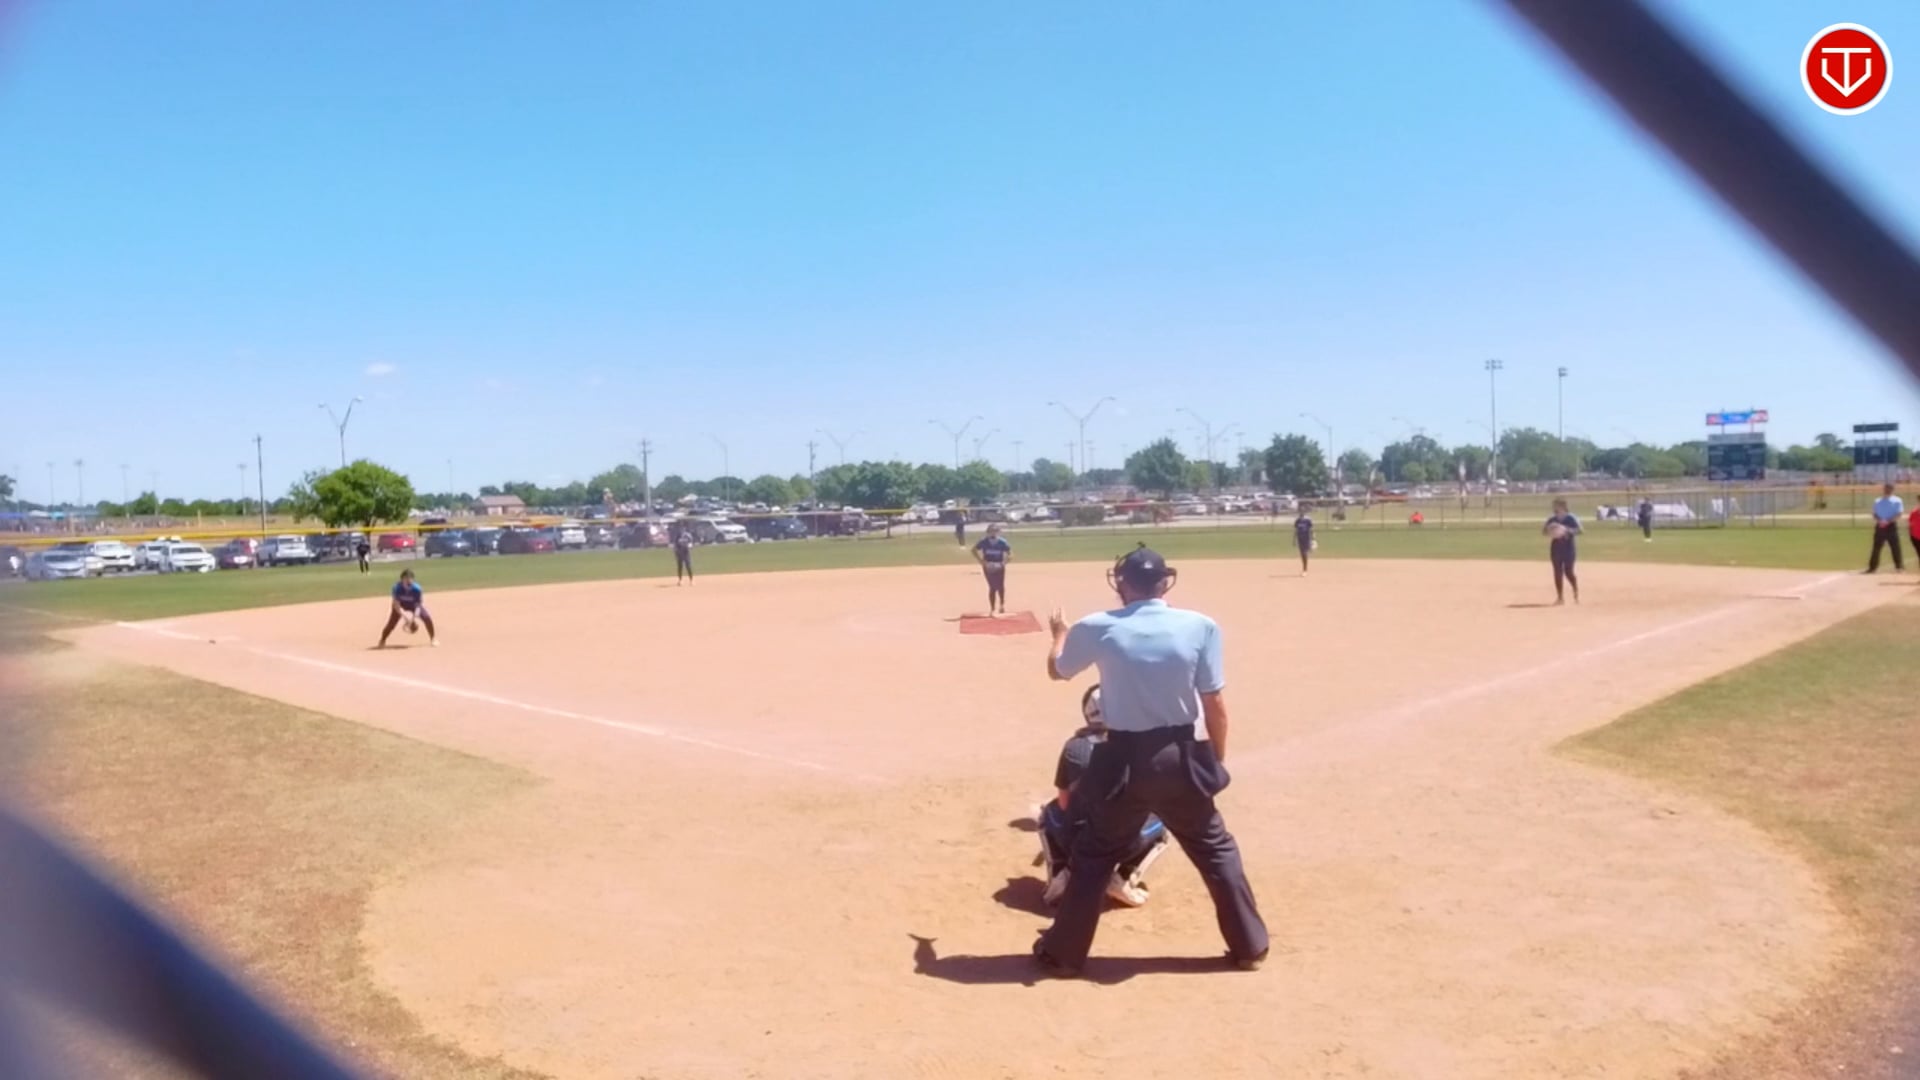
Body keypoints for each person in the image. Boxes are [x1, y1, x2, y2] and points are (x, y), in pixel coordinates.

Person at [1032, 544, 1268, 978]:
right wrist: (1212, 761)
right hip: (1180, 754)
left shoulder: (1098, 626)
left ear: (1121, 585)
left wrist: (1059, 634)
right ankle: (1250, 946)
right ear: (1165, 583)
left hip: (1122, 760)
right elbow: (1214, 705)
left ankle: (1063, 954)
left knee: (1094, 854)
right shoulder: (1200, 626)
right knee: (1216, 850)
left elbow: (1057, 670)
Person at [1038, 685, 1171, 908]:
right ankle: (1124, 878)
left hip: (1078, 842)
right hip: (1125, 842)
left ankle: (1061, 875)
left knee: (1048, 813)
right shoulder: (1138, 747)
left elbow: (1063, 803)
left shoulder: (1073, 747)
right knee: (1161, 819)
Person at [376, 568, 436, 648]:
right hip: (400, 606)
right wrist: (406, 617)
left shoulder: (417, 589)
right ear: (401, 580)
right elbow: (396, 605)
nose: (408, 580)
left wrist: (413, 619)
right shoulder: (397, 588)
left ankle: (433, 639)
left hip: (413, 605)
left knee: (426, 617)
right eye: (406, 578)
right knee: (391, 624)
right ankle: (382, 640)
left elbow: (418, 605)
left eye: (410, 578)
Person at [1543, 497, 1582, 605]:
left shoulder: (1571, 518)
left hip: (1568, 548)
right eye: (1554, 506)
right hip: (1556, 548)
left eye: (1557, 505)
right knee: (1557, 572)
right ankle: (1560, 597)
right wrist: (1551, 530)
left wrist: (1566, 530)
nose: (1555, 508)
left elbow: (1580, 530)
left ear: (1563, 506)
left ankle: (1575, 589)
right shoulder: (1552, 519)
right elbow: (1544, 531)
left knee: (1568, 572)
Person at [972, 523, 1012, 615]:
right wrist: (981, 561)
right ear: (988, 532)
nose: (993, 533)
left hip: (999, 566)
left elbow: (1010, 554)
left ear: (998, 532)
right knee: (992, 587)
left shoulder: (1002, 542)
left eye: (995, 531)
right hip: (988, 566)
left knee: (1000, 586)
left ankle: (1002, 604)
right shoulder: (983, 541)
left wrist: (1003, 563)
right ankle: (992, 608)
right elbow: (974, 550)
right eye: (991, 531)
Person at [1866, 483, 1904, 574]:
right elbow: (1874, 514)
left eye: (1889, 488)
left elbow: (1899, 513)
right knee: (1876, 547)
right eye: (1886, 488)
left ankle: (1899, 567)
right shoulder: (1877, 501)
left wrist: (1888, 521)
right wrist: (1880, 521)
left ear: (1892, 489)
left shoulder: (1897, 500)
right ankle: (1872, 567)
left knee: (1895, 547)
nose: (1887, 490)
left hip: (1891, 526)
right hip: (1880, 526)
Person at [1292, 508, 1314, 575]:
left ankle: (1305, 570)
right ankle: (1304, 569)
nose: (1301, 512)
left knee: (1304, 553)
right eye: (1300, 511)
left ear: (1304, 512)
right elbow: (1296, 531)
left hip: (1306, 538)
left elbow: (1311, 530)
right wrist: (1294, 540)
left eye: (1302, 511)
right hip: (1300, 539)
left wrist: (1313, 539)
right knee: (1302, 554)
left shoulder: (1308, 520)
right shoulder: (1297, 520)